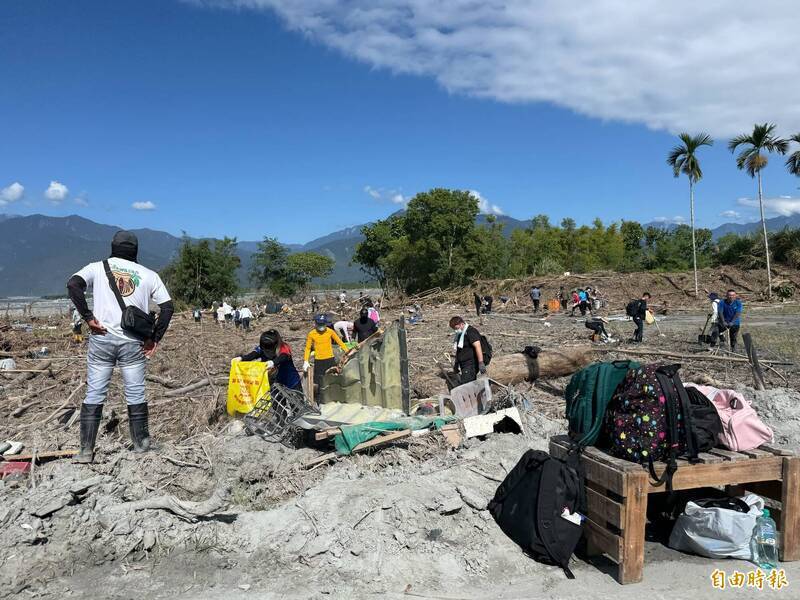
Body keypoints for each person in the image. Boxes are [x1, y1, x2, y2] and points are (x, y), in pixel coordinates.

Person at [66, 231, 174, 464]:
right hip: (133, 343)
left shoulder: (96, 267)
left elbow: (73, 284)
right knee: (135, 392)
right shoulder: (148, 275)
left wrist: (88, 318)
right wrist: (154, 338)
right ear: (135, 251)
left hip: (101, 339)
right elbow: (167, 308)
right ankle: (141, 445)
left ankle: (86, 451)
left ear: (112, 247)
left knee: (95, 393)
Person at [233, 329, 301, 390]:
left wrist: (273, 362)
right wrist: (241, 358)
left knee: (297, 403)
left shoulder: (283, 347)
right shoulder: (262, 347)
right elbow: (253, 354)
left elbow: (284, 356)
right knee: (275, 403)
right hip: (275, 384)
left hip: (291, 381)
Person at [304, 315, 349, 403]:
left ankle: (334, 398)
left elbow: (340, 342)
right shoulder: (311, 334)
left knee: (332, 379)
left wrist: (347, 351)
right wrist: (306, 360)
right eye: (319, 324)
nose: (321, 327)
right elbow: (308, 348)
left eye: (323, 324)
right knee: (320, 382)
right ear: (316, 324)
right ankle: (321, 401)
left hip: (330, 359)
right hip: (319, 360)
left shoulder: (330, 331)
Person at [449, 316, 486, 385]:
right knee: (467, 384)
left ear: (461, 324)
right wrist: (456, 364)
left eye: (456, 328)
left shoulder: (471, 332)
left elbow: (478, 346)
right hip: (464, 365)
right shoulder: (461, 334)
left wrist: (481, 362)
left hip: (470, 365)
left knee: (467, 385)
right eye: (454, 329)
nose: (455, 330)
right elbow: (459, 351)